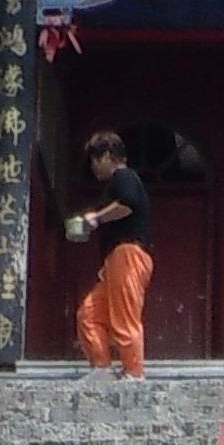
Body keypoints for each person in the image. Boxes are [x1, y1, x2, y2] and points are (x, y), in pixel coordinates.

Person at [68, 128, 152, 379]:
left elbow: (127, 205)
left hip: (127, 254)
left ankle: (134, 373)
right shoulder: (116, 183)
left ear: (107, 155)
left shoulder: (124, 177)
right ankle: (102, 368)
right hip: (116, 258)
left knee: (125, 317)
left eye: (95, 160)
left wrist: (96, 218)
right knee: (88, 314)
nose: (94, 167)